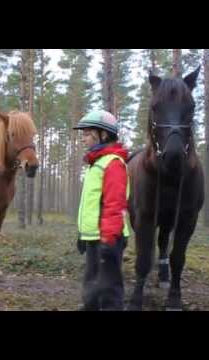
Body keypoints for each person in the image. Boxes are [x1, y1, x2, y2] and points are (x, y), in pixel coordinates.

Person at [73, 110, 130, 311]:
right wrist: (83, 234)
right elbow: (91, 204)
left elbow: (114, 204)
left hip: (107, 239)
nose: (83, 139)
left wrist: (109, 241)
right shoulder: (96, 163)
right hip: (94, 237)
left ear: (103, 135)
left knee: (109, 290)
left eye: (87, 133)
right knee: (92, 285)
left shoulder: (112, 163)